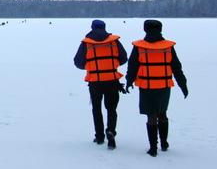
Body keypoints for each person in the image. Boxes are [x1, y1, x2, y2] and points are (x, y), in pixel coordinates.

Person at [125, 20, 188, 157]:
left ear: (145, 29)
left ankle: (153, 148)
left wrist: (129, 81)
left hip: (147, 87)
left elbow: (133, 66)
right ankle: (164, 144)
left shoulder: (139, 47)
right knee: (162, 113)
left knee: (151, 116)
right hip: (164, 86)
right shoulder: (168, 47)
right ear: (160, 29)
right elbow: (177, 68)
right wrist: (183, 85)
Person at [74, 20, 128, 149]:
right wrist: (111, 64)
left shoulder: (86, 43)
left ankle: (99, 136)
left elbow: (78, 62)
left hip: (95, 82)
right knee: (111, 109)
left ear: (92, 28)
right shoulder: (113, 41)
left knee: (96, 109)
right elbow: (124, 58)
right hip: (112, 81)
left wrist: (91, 66)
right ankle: (110, 131)